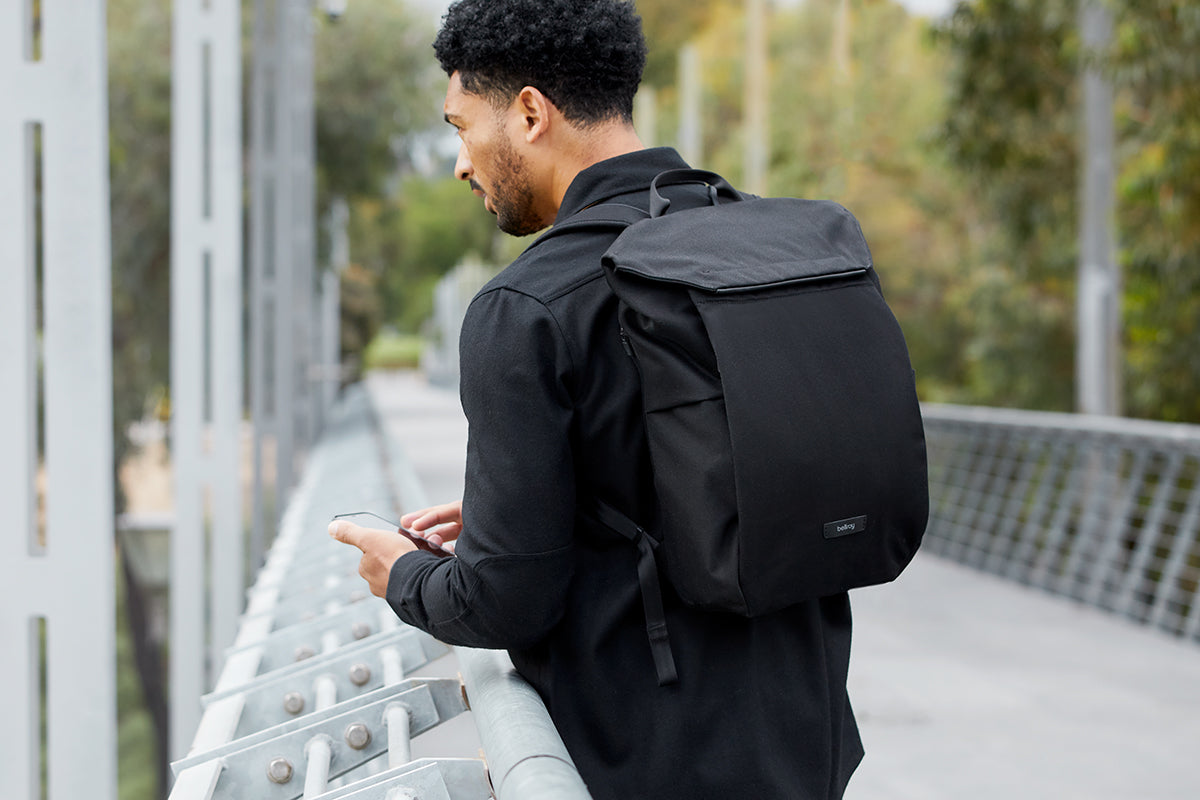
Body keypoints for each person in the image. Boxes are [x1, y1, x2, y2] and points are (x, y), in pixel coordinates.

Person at [330, 1, 863, 797]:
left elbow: (503, 604)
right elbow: (717, 475)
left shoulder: (528, 306)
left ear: (531, 112)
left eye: (461, 125)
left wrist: (403, 573)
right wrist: (541, 510)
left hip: (648, 764)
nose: (460, 162)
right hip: (806, 743)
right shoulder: (781, 248)